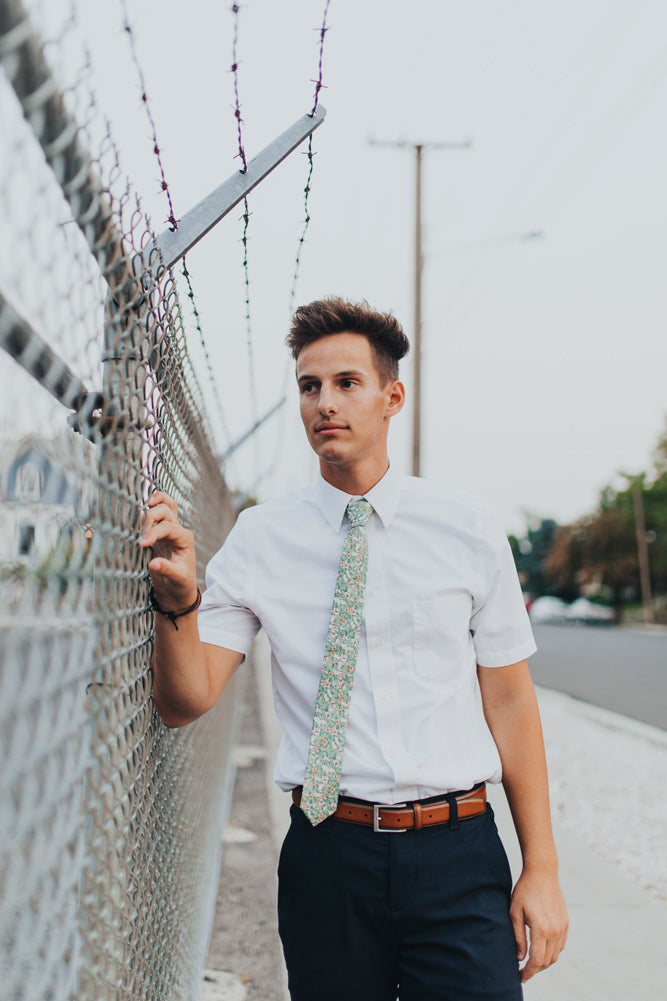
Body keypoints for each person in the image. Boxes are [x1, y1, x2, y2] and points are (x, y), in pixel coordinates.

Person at [141, 297, 568, 1001]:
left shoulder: (465, 526)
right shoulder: (259, 539)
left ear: (390, 396)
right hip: (328, 851)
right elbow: (184, 700)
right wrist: (178, 598)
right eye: (309, 386)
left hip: (457, 849)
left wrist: (541, 868)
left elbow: (510, 697)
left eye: (346, 383)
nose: (324, 403)